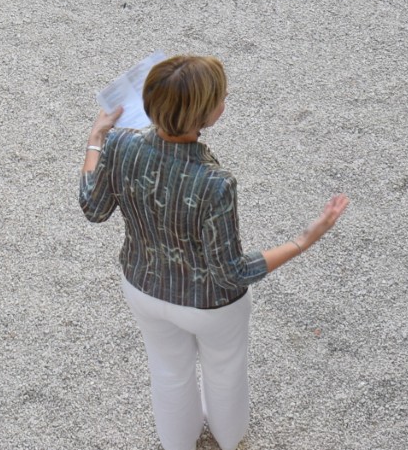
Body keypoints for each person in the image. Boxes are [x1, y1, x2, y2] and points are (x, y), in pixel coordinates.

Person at [79, 54, 349, 450]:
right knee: (225, 373)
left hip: (142, 285)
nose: (225, 99)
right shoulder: (216, 183)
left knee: (168, 371)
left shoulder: (118, 144)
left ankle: (178, 442)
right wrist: (303, 241)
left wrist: (95, 138)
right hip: (211, 305)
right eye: (221, 97)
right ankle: (228, 438)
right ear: (206, 116)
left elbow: (93, 207)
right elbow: (231, 271)